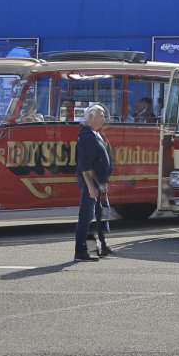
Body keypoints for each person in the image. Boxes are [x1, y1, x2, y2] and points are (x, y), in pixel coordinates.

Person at [74, 104, 113, 261]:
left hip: (96, 183)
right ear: (90, 117)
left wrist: (101, 183)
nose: (104, 118)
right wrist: (91, 187)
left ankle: (100, 247)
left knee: (98, 216)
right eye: (101, 115)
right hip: (89, 184)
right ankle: (80, 252)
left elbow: (97, 162)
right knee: (86, 217)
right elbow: (85, 165)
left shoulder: (94, 134)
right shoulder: (87, 137)